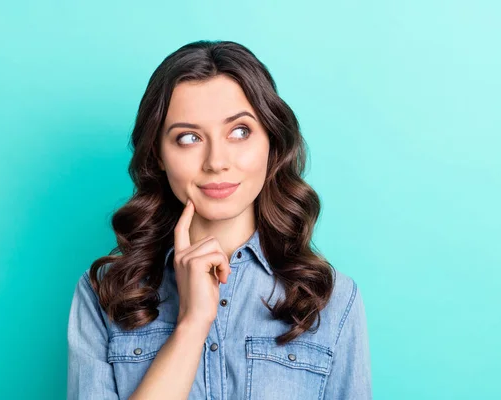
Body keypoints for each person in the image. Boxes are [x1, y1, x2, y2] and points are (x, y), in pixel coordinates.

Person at [67, 40, 372, 400]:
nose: (216, 161)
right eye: (188, 137)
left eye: (240, 131)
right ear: (159, 155)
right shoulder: (105, 292)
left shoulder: (330, 297)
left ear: (271, 141)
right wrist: (191, 324)